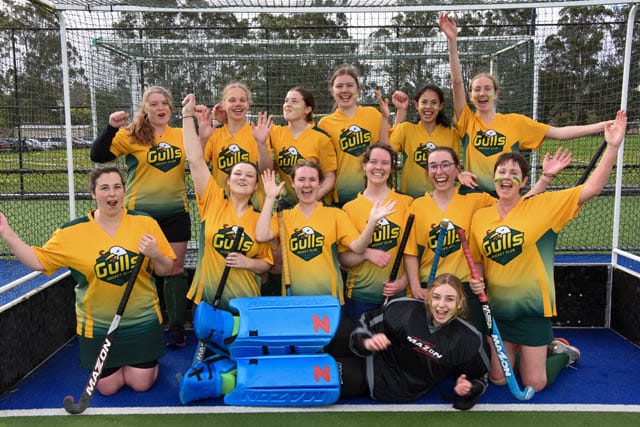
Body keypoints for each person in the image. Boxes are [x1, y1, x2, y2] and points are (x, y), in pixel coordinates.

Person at [468, 110, 627, 392]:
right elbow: (478, 260)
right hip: (497, 309)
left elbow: (590, 188)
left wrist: (612, 146)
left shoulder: (543, 208)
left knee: (535, 383)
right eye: (501, 172)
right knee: (498, 379)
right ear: (494, 179)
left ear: (524, 181)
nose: (506, 178)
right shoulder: (481, 216)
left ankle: (562, 355)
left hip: (532, 309)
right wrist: (477, 279)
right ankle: (527, 354)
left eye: (514, 174)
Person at [0, 166, 176, 396]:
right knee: (108, 388)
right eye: (104, 188)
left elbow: (166, 269)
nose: (111, 194)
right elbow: (37, 262)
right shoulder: (72, 233)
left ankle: (146, 362)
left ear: (124, 191)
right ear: (93, 194)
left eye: (117, 187)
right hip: (98, 326)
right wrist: (6, 232)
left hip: (141, 320)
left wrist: (155, 253)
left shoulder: (145, 223)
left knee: (140, 384)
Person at [439, 13, 614, 195]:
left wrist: (602, 126)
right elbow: (456, 83)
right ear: (470, 95)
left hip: (506, 197)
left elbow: (559, 133)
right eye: (477, 89)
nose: (482, 93)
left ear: (496, 93)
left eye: (487, 88)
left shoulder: (516, 122)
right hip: (473, 197)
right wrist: (452, 41)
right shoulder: (466, 121)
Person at [403, 146, 570, 331]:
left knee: (469, 343)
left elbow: (518, 206)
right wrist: (416, 287)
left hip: (466, 288)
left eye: (445, 165)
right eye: (433, 166)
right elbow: (410, 252)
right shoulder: (417, 206)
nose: (439, 171)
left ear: (457, 169)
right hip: (432, 288)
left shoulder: (477, 200)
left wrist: (545, 178)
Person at [90, 86, 191, 349]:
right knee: (141, 270)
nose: (160, 108)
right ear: (144, 109)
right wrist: (111, 128)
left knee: (175, 269)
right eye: (153, 104)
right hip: (141, 215)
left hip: (175, 213)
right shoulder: (131, 135)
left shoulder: (182, 135)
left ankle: (176, 326)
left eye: (164, 103)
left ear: (171, 108)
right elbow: (98, 156)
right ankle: (144, 323)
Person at [326, 273, 489, 410]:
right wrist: (367, 341)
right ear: (428, 298)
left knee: (325, 374)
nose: (441, 305)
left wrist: (469, 388)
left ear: (459, 303)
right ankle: (314, 347)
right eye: (436, 297)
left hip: (384, 381)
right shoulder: (405, 308)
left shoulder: (469, 339)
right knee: (336, 330)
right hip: (374, 352)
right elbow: (366, 321)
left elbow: (480, 377)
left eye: (450, 299)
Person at [255, 160, 396, 303]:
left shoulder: (335, 214)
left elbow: (358, 247)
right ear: (292, 182)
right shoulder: (282, 217)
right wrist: (270, 198)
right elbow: (261, 235)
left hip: (330, 300)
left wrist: (372, 222)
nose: (307, 185)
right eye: (301, 179)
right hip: (294, 301)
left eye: (312, 179)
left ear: (320, 183)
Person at [181, 94, 273, 310]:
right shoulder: (213, 201)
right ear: (228, 181)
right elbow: (195, 160)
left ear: (256, 185)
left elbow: (266, 264)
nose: (242, 178)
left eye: (249, 176)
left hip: (246, 304)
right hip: (209, 301)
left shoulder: (260, 219)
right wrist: (186, 116)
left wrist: (248, 263)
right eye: (237, 174)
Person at [339, 143, 414, 319]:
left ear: (392, 168)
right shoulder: (349, 208)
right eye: (373, 162)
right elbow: (344, 259)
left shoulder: (407, 203)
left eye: (385, 163)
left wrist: (404, 281)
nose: (379, 167)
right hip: (360, 295)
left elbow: (415, 253)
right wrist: (366, 254)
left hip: (399, 294)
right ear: (364, 165)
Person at [317, 64, 390, 207]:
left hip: (373, 195)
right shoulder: (324, 124)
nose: (344, 90)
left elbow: (386, 150)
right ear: (332, 91)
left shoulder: (373, 114)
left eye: (349, 85)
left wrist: (385, 118)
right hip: (341, 197)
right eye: (339, 86)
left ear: (358, 89)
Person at [201, 82, 274, 208]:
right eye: (232, 100)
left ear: (248, 104)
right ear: (223, 105)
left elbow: (267, 171)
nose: (238, 104)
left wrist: (261, 144)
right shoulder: (214, 133)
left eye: (242, 100)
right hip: (220, 205)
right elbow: (198, 165)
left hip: (252, 206)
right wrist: (203, 139)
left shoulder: (257, 133)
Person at [271, 86, 337, 208]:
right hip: (287, 204)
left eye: (294, 101)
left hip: (316, 205)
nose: (288, 105)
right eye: (286, 101)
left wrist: (310, 200)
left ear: (307, 109)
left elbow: (329, 177)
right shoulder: (275, 133)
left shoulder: (321, 138)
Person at [390, 85, 460, 198]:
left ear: (441, 106)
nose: (428, 107)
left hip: (441, 200)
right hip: (411, 199)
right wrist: (401, 110)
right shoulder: (406, 129)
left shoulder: (451, 133)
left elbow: (455, 169)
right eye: (424, 102)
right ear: (416, 105)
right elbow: (387, 152)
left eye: (434, 103)